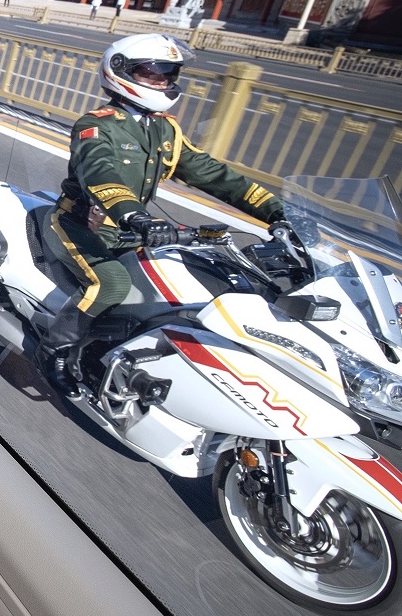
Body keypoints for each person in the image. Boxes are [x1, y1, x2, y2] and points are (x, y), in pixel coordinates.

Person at [34, 33, 287, 395]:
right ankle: (54, 350)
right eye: (152, 73)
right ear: (121, 72)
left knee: (185, 281)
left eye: (168, 74)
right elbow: (99, 172)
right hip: (80, 225)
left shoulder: (165, 129)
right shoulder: (97, 125)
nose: (162, 81)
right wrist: (134, 214)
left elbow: (212, 173)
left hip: (133, 231)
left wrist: (276, 211)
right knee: (112, 284)